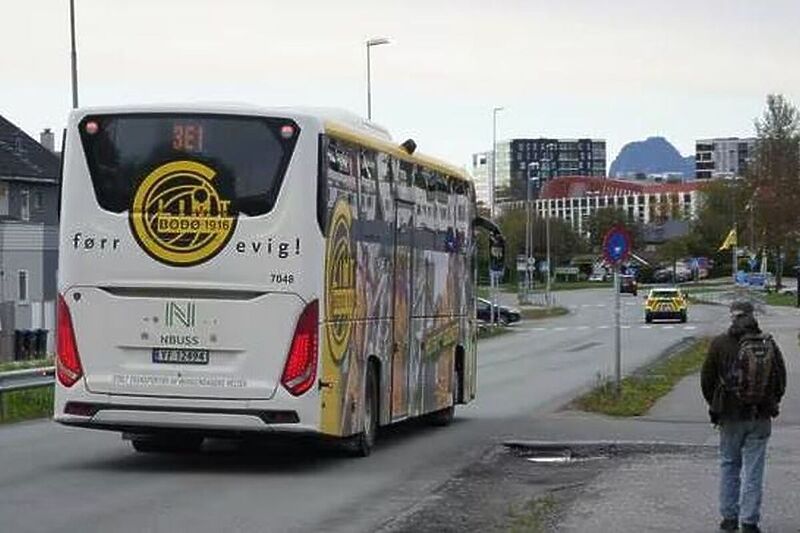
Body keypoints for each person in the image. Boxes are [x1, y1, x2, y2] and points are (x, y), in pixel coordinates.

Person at [701, 300, 787, 533]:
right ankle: (750, 521)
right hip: (760, 416)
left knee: (729, 465)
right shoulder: (768, 343)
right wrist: (772, 401)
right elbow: (781, 379)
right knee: (754, 469)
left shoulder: (720, 343)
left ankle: (729, 518)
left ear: (732, 317)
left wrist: (716, 404)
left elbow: (706, 379)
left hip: (729, 415)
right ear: (752, 317)